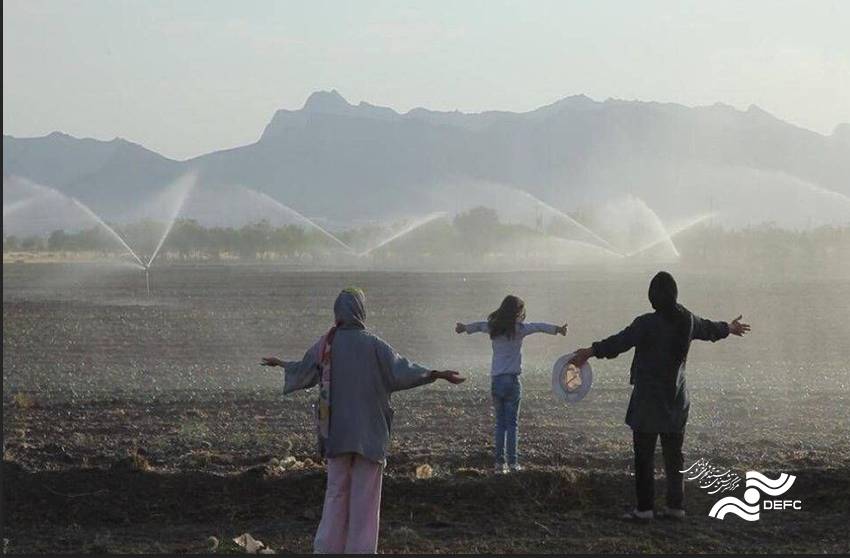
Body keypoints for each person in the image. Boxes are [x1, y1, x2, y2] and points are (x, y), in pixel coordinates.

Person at [261, 287, 465, 554]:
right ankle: (361, 550)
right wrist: (436, 374)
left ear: (338, 313)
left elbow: (305, 369)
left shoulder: (326, 345)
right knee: (365, 498)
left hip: (336, 434)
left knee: (335, 493)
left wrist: (283, 364)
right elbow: (403, 371)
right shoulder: (375, 345)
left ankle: (327, 548)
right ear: (361, 312)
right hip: (370, 435)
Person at [569, 271, 750, 520]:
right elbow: (710, 329)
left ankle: (644, 509)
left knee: (644, 457)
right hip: (676, 400)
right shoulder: (687, 320)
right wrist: (730, 327)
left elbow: (618, 343)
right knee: (674, 456)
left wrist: (589, 352)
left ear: (652, 298)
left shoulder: (645, 324)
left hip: (647, 401)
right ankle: (676, 507)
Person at [456, 294, 567, 473]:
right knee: (512, 424)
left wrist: (464, 328)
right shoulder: (520, 329)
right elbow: (538, 326)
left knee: (500, 424)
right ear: (517, 312)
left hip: (497, 381)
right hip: (512, 381)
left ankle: (499, 464)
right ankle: (513, 464)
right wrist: (558, 329)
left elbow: (478, 325)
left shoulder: (494, 327)